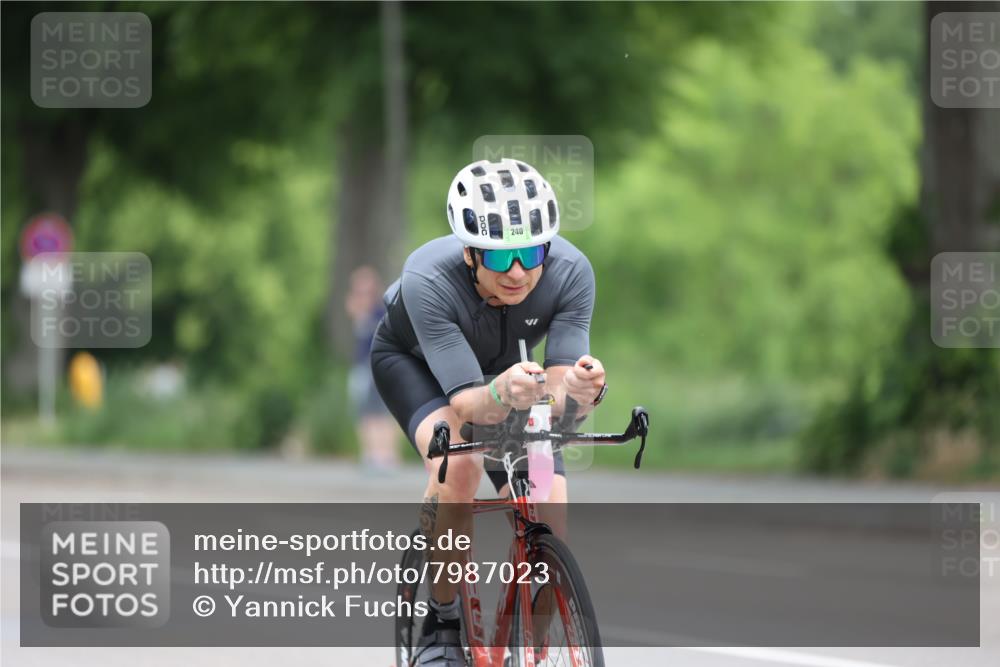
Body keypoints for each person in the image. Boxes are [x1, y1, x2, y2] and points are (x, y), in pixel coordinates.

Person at [371, 158, 607, 666]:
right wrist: (501, 395)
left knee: (549, 509)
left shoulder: (570, 272)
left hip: (511, 376)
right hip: (419, 368)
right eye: (500, 259)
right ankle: (442, 625)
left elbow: (560, 395)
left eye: (530, 252)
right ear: (469, 253)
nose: (519, 271)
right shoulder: (427, 280)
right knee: (459, 464)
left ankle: (532, 652)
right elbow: (468, 405)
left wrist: (583, 392)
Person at [345, 265, 400, 473]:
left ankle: (386, 455)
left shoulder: (381, 312)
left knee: (384, 412)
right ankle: (370, 454)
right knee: (363, 411)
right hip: (362, 366)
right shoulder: (361, 311)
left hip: (380, 366)